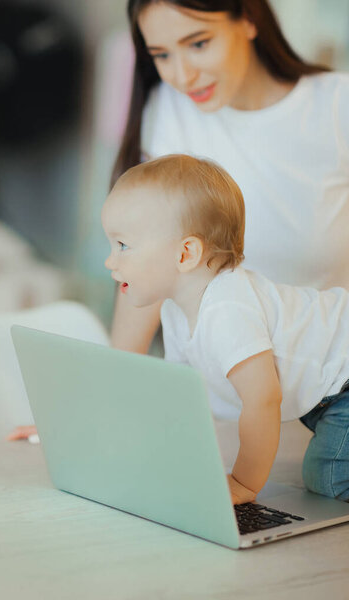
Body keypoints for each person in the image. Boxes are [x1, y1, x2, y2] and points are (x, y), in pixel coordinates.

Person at [102, 153, 349, 505]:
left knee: (328, 476)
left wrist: (244, 483)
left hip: (343, 378)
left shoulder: (227, 308)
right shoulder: (176, 307)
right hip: (325, 392)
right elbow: (184, 400)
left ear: (185, 254)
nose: (110, 261)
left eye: (123, 245)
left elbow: (263, 399)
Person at [110, 0, 349, 355]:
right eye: (161, 55)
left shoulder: (335, 107)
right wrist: (114, 374)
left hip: (322, 389)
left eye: (199, 44)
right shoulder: (169, 111)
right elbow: (146, 262)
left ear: (249, 19)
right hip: (205, 391)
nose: (183, 76)